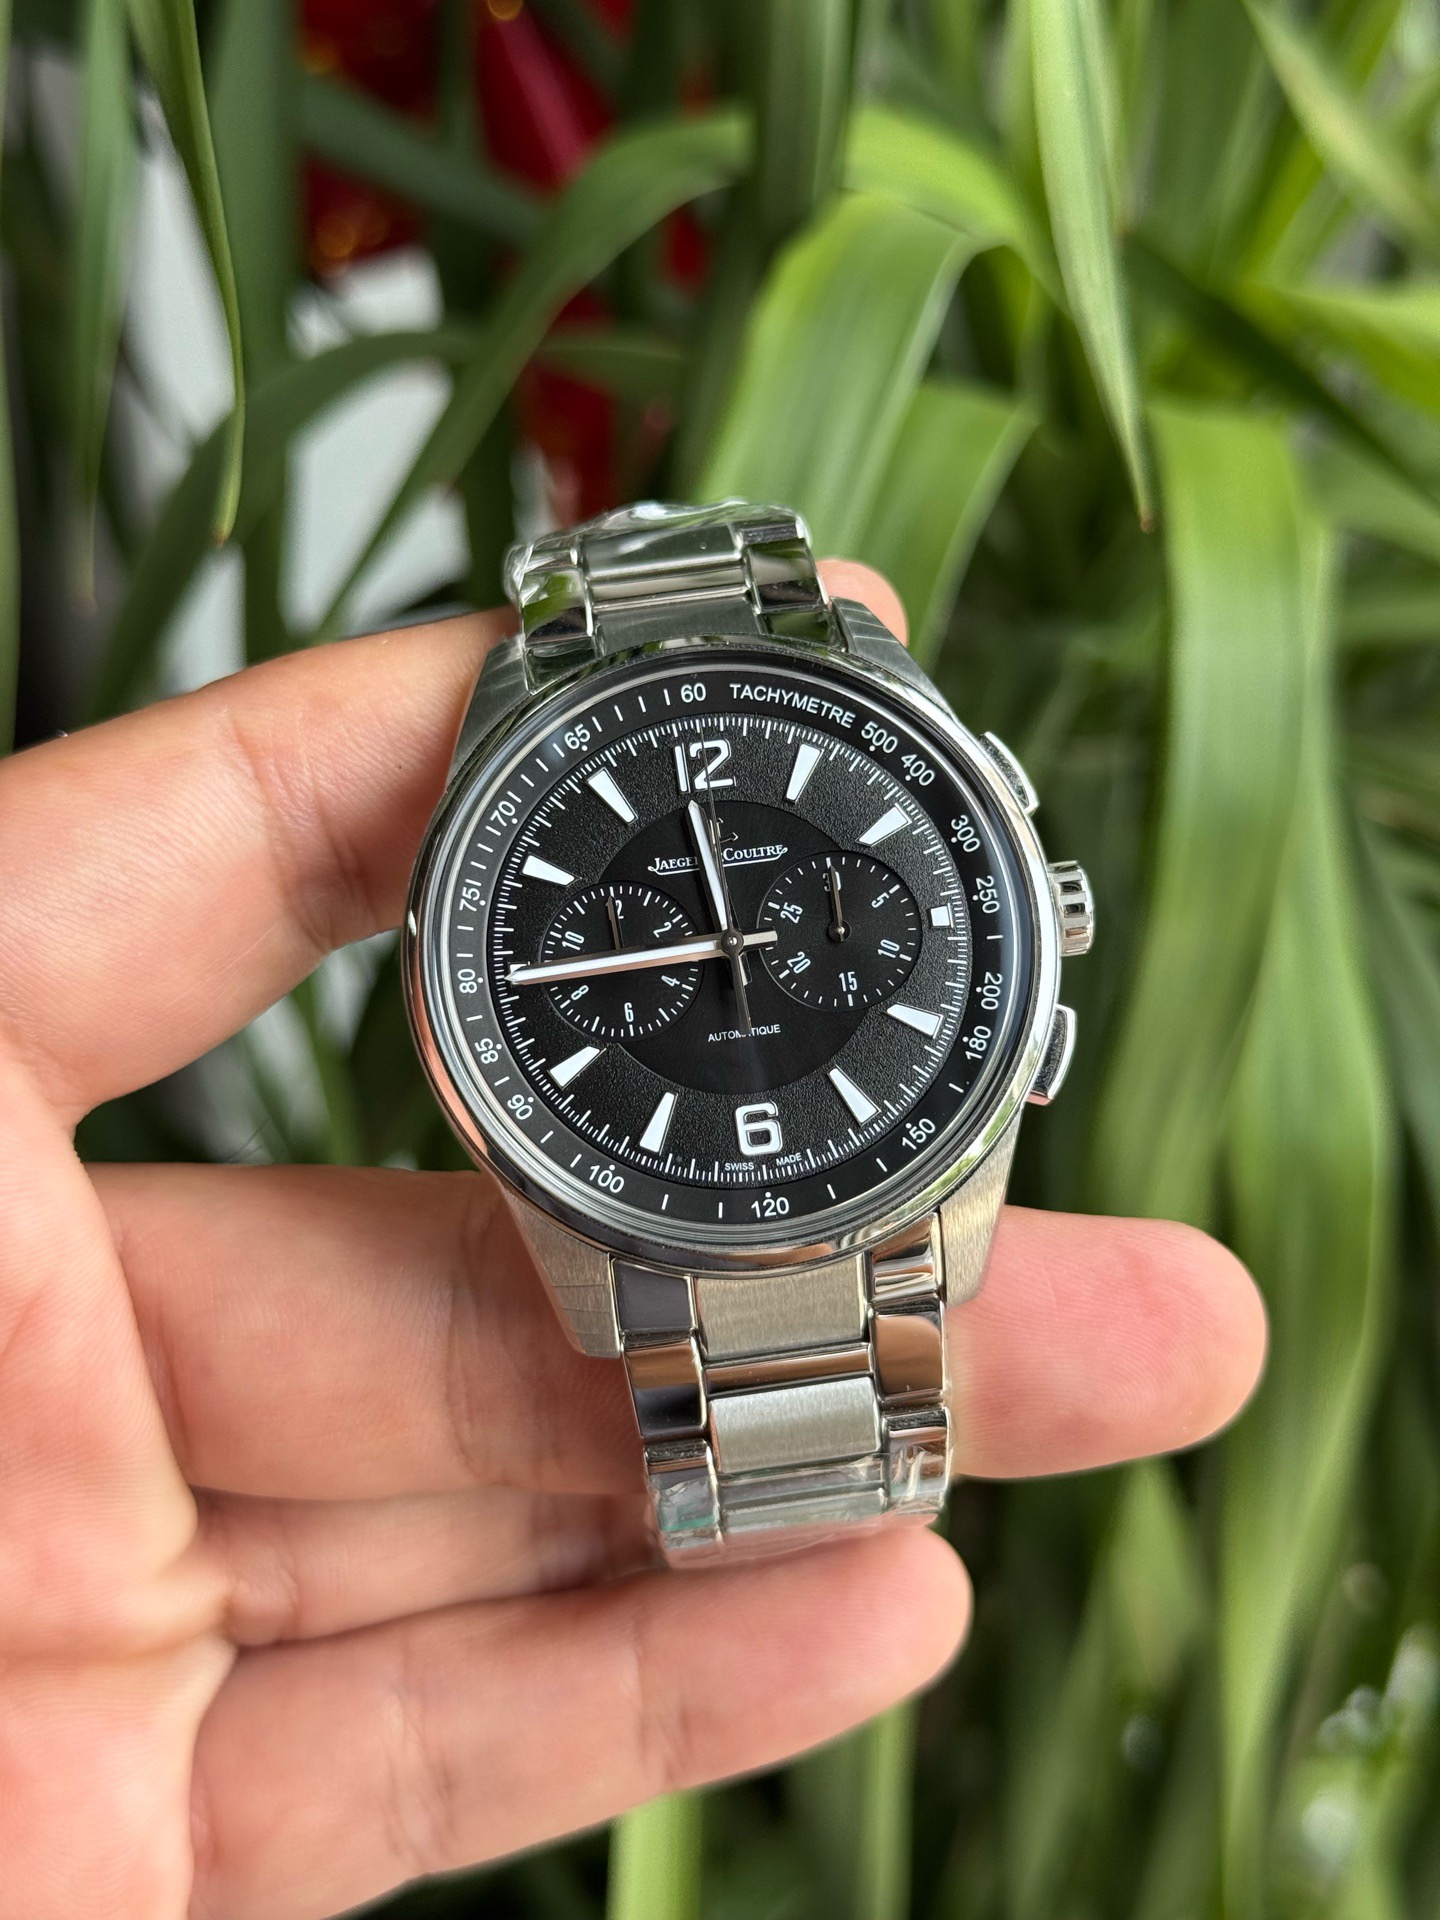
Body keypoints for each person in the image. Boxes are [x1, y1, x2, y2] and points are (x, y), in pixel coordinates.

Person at [0, 561, 1266, 1920]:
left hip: (867, 1202)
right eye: (701, 951)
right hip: (630, 1227)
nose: (734, 957)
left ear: (1039, 913)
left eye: (761, 939)